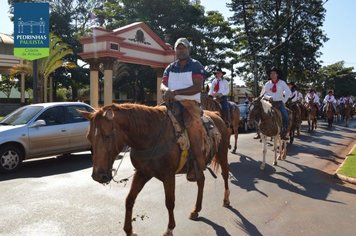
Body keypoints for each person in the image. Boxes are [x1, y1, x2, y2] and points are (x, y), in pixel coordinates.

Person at [161, 37, 206, 182]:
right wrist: (167, 90)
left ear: (188, 50)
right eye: (178, 48)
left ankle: (197, 162)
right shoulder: (170, 67)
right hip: (171, 102)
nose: (181, 51)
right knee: (154, 118)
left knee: (192, 125)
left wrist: (175, 92)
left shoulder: (195, 65)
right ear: (175, 51)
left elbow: (197, 87)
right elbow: (163, 84)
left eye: (183, 48)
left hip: (190, 103)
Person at [260, 67, 291, 140]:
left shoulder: (282, 83)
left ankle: (285, 132)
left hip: (279, 103)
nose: (272, 75)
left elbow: (288, 92)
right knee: (260, 114)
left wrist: (284, 101)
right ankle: (260, 131)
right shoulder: (267, 84)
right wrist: (268, 97)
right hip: (269, 103)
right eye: (271, 73)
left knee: (285, 116)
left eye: (274, 73)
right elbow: (263, 94)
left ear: (277, 75)